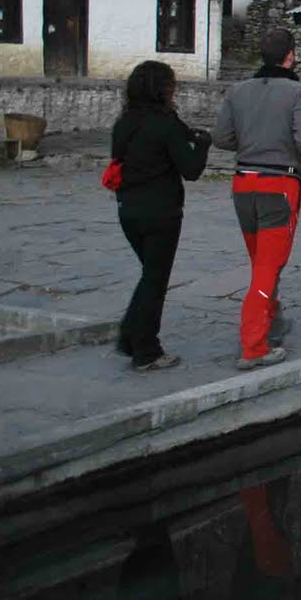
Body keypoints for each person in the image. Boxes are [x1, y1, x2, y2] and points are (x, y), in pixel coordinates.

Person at [214, 28, 301, 371]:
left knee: (262, 260)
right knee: (267, 267)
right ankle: (254, 344)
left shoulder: (237, 91)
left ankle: (272, 322)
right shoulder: (297, 91)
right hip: (279, 183)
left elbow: (222, 138)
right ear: (290, 56)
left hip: (244, 182)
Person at [111, 60, 211, 371]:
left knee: (149, 276)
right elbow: (190, 169)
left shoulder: (124, 123)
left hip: (128, 209)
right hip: (162, 211)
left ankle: (130, 335)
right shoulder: (166, 123)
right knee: (155, 280)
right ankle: (146, 350)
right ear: (163, 90)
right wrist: (203, 144)